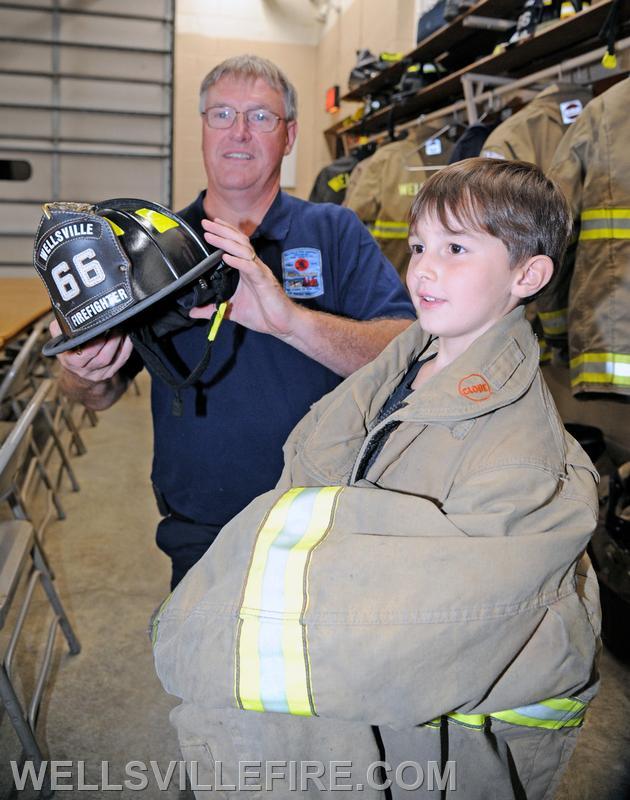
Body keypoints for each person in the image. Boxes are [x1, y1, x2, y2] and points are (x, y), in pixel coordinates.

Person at [153, 158, 601, 799]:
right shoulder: (404, 362)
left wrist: (210, 638)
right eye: (419, 245)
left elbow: (430, 633)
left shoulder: (520, 458)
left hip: (411, 755)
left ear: (527, 275)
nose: (423, 267)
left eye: (455, 248)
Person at [53, 55, 414, 588]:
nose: (239, 131)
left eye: (261, 117)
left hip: (327, 516)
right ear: (202, 128)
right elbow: (95, 394)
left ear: (289, 135)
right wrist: (85, 371)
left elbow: (408, 349)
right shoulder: (147, 251)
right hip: (201, 527)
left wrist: (291, 322)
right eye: (221, 114)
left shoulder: (334, 231)